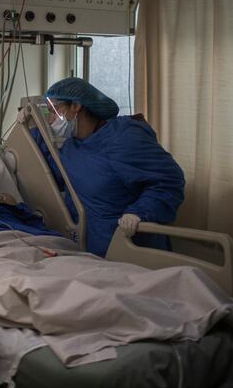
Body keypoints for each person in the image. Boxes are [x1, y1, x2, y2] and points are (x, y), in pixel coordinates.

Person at [20, 77, 185, 257]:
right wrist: (31, 131)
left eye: (55, 111)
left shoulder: (125, 138)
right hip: (92, 251)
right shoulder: (72, 146)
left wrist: (139, 213)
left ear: (76, 106)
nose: (51, 120)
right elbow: (58, 177)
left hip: (132, 249)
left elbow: (169, 181)